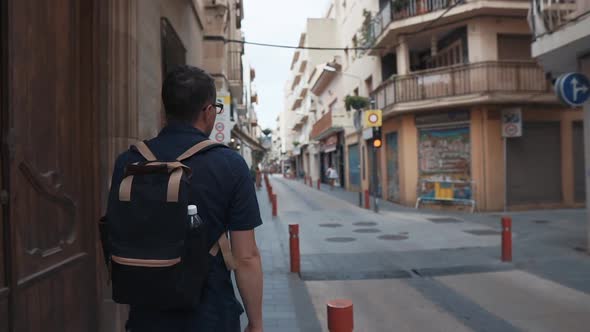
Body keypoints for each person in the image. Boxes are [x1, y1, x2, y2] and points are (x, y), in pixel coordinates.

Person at [108, 65, 263, 332]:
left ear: (164, 110)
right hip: (211, 315)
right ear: (208, 111)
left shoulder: (128, 161)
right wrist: (256, 322)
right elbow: (246, 256)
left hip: (146, 316)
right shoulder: (230, 165)